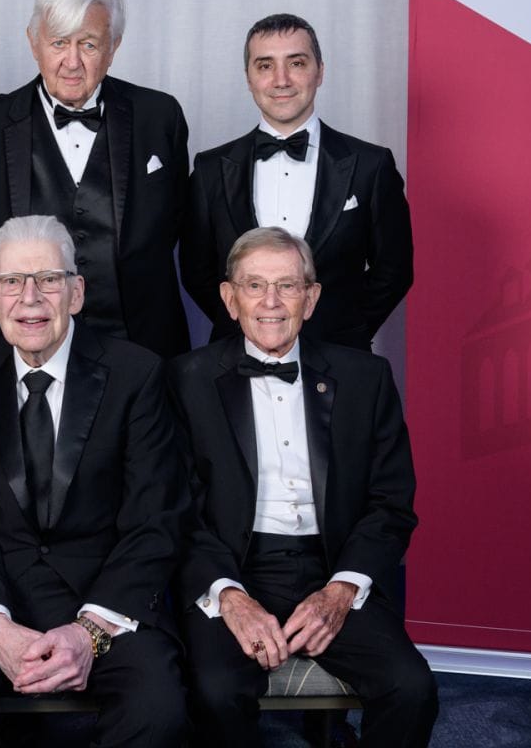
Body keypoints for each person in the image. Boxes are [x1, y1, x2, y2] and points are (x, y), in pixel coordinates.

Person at [0, 215, 188, 748]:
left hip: (106, 600)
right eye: (11, 282)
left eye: (48, 279)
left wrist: (88, 631)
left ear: (76, 292)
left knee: (159, 710)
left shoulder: (137, 374)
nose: (30, 298)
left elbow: (155, 518)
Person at [169, 228, 437, 748]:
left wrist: (341, 590)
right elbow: (175, 508)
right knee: (216, 692)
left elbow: (390, 504)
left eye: (287, 286)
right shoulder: (184, 379)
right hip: (232, 566)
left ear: (310, 299)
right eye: (254, 286)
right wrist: (228, 595)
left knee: (412, 688)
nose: (271, 302)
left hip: (334, 564)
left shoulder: (367, 377)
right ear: (229, 298)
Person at [0, 0, 190, 358]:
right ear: (34, 43)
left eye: (88, 44)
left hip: (141, 349)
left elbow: (177, 225)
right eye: (58, 42)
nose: (72, 62)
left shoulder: (159, 117)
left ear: (113, 47)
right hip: (17, 352)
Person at [181, 13, 413, 350]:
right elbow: (196, 271)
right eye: (264, 66)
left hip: (341, 359)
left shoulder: (371, 166)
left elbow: (394, 269)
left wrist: (345, 331)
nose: (281, 80)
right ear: (248, 77)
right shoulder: (210, 169)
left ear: (320, 71)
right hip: (235, 359)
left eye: (297, 63)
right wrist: (252, 325)